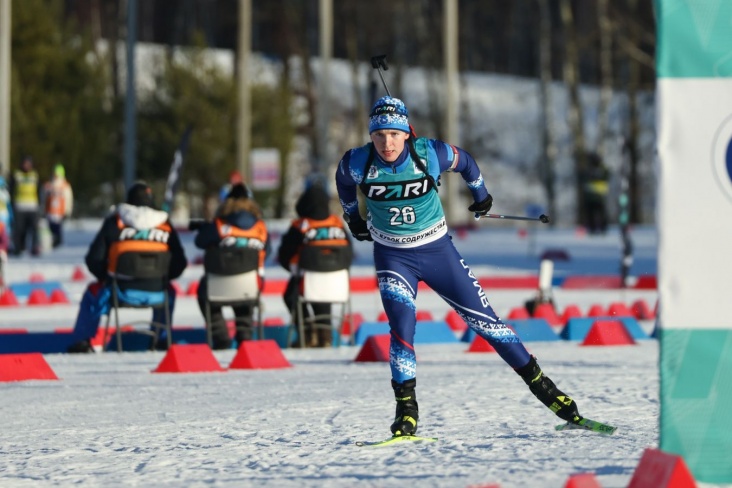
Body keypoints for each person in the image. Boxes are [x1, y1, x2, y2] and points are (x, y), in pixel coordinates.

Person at [335, 95, 584, 437]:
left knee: (487, 324)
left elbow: (465, 161)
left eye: (394, 134)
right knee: (402, 331)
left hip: (437, 251)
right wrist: (353, 216)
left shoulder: (429, 153)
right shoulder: (358, 161)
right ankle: (406, 409)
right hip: (393, 257)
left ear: (407, 133)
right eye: (379, 135)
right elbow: (343, 182)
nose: (387, 143)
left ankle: (544, 388)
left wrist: (481, 196)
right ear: (371, 136)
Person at [67, 182, 188, 353]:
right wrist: (162, 279)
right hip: (158, 293)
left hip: (119, 291)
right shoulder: (164, 224)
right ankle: (162, 338)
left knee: (92, 292)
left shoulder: (115, 222)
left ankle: (82, 341)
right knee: (171, 291)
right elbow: (180, 262)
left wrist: (107, 278)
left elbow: (93, 259)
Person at [194, 183, 271, 350]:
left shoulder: (218, 226)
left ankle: (220, 335)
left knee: (203, 293)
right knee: (245, 292)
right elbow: (268, 252)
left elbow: (199, 241)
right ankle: (245, 335)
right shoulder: (260, 228)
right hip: (251, 287)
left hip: (217, 287)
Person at [277, 184, 353, 347]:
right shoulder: (337, 224)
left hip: (308, 279)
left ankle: (307, 333)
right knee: (323, 292)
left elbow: (284, 254)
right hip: (338, 283)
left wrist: (294, 270)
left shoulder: (300, 226)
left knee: (291, 295)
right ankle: (325, 335)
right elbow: (349, 253)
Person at [8, 155, 41, 256]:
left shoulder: (34, 175)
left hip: (32, 206)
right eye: (25, 163)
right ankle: (19, 248)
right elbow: (11, 190)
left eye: (28, 163)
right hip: (19, 206)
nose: (26, 165)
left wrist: (40, 204)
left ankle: (35, 247)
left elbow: (39, 190)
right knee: (19, 229)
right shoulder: (17, 175)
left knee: (34, 229)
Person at [42, 163, 74, 248]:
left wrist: (68, 211)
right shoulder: (48, 185)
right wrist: (43, 210)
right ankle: (50, 243)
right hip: (50, 212)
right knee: (49, 230)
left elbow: (69, 199)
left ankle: (58, 244)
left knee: (58, 230)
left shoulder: (65, 185)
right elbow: (44, 198)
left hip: (60, 213)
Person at [581, 152, 610, 234]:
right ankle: (595, 228)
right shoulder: (591, 169)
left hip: (596, 195)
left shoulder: (600, 169)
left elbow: (606, 176)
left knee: (599, 213)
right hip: (594, 196)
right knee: (594, 213)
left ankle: (600, 228)